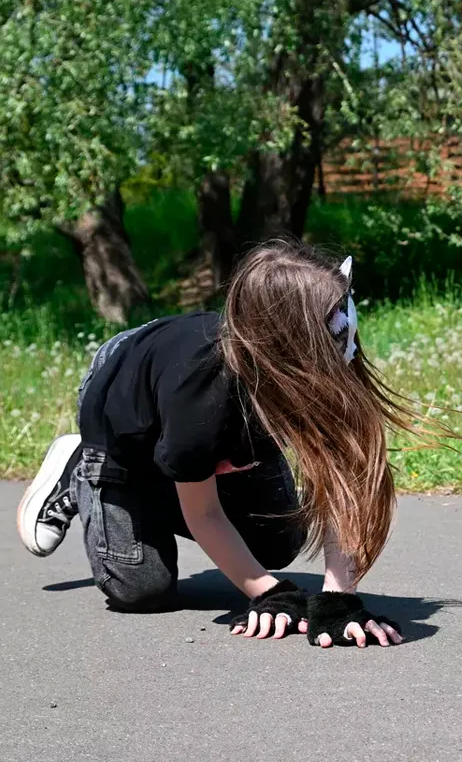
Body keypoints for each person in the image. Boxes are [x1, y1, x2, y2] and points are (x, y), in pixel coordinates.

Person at [16, 241, 426, 648]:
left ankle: (179, 470)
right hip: (126, 417)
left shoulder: (326, 358)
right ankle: (80, 466)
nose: (348, 339)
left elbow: (344, 482)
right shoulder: (200, 403)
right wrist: (269, 594)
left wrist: (339, 601)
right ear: (288, 343)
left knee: (278, 542)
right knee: (141, 588)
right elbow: (206, 514)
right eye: (335, 330)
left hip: (217, 424)